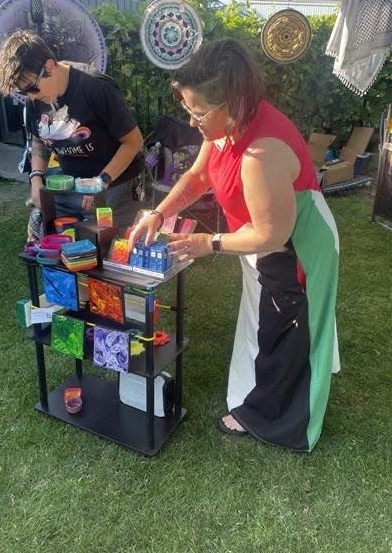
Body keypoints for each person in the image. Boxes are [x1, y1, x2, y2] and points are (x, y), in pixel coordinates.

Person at [130, 38, 340, 453]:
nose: (192, 122)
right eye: (188, 110)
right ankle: (266, 391)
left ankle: (275, 421)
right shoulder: (224, 127)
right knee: (266, 323)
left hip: (296, 248)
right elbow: (197, 178)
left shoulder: (262, 152)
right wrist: (159, 213)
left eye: (198, 112)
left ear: (234, 102)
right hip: (263, 243)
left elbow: (272, 234)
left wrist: (210, 242)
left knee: (285, 333)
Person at [0, 29, 144, 232]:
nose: (30, 97)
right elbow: (39, 139)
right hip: (67, 188)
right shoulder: (36, 99)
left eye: (32, 88)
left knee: (107, 254)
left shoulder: (95, 87)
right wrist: (36, 178)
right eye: (23, 92)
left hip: (113, 188)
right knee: (57, 250)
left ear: (49, 66)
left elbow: (133, 141)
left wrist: (101, 182)